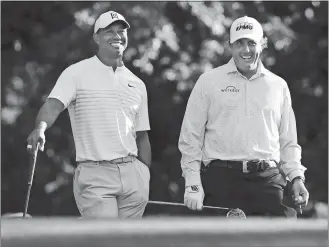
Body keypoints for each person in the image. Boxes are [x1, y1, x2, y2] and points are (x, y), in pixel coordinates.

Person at [178, 16, 309, 217]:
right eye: (239, 43)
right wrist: (193, 183)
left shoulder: (278, 86)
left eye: (251, 43)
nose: (246, 50)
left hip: (268, 180)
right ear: (230, 46)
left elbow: (288, 142)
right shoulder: (208, 82)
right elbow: (190, 139)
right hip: (221, 180)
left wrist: (297, 177)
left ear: (262, 44)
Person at [26, 11, 151, 218]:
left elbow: (142, 135)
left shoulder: (137, 83)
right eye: (109, 32)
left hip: (133, 176)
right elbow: (53, 106)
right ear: (96, 37)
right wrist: (40, 128)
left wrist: (144, 176)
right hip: (96, 174)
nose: (117, 36)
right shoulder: (76, 73)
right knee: (105, 239)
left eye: (121, 31)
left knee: (128, 241)